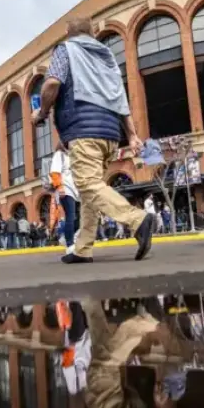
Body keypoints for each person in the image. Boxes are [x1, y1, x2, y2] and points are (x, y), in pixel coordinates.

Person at [32, 17, 155, 264]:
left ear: (68, 32)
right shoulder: (107, 57)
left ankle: (136, 220)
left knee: (87, 184)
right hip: (110, 132)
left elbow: (53, 82)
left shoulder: (65, 50)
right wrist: (130, 134)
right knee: (92, 190)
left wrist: (42, 112)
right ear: (92, 32)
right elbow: (119, 97)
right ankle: (82, 248)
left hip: (83, 129)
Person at [50, 141, 80, 254]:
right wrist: (59, 186)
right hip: (65, 189)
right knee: (70, 216)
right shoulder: (59, 154)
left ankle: (65, 237)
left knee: (82, 216)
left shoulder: (72, 156)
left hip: (76, 191)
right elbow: (54, 172)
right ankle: (70, 244)